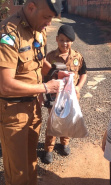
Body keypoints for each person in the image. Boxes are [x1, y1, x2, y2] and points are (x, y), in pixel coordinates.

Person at [0, 0, 69, 185]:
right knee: (18, 171)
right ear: (32, 7)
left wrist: (54, 72)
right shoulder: (8, 34)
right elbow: (6, 85)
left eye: (52, 18)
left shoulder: (37, 28)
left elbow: (37, 61)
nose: (49, 23)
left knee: (31, 161)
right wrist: (46, 87)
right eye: (47, 17)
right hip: (12, 112)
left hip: (33, 107)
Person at [43, 25, 87, 164]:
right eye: (61, 40)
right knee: (54, 121)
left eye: (68, 40)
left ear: (72, 41)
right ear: (56, 39)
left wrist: (79, 87)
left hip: (72, 97)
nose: (65, 43)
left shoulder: (77, 56)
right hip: (55, 97)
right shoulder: (50, 57)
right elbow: (43, 76)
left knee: (67, 120)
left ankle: (64, 143)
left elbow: (83, 73)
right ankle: (49, 148)